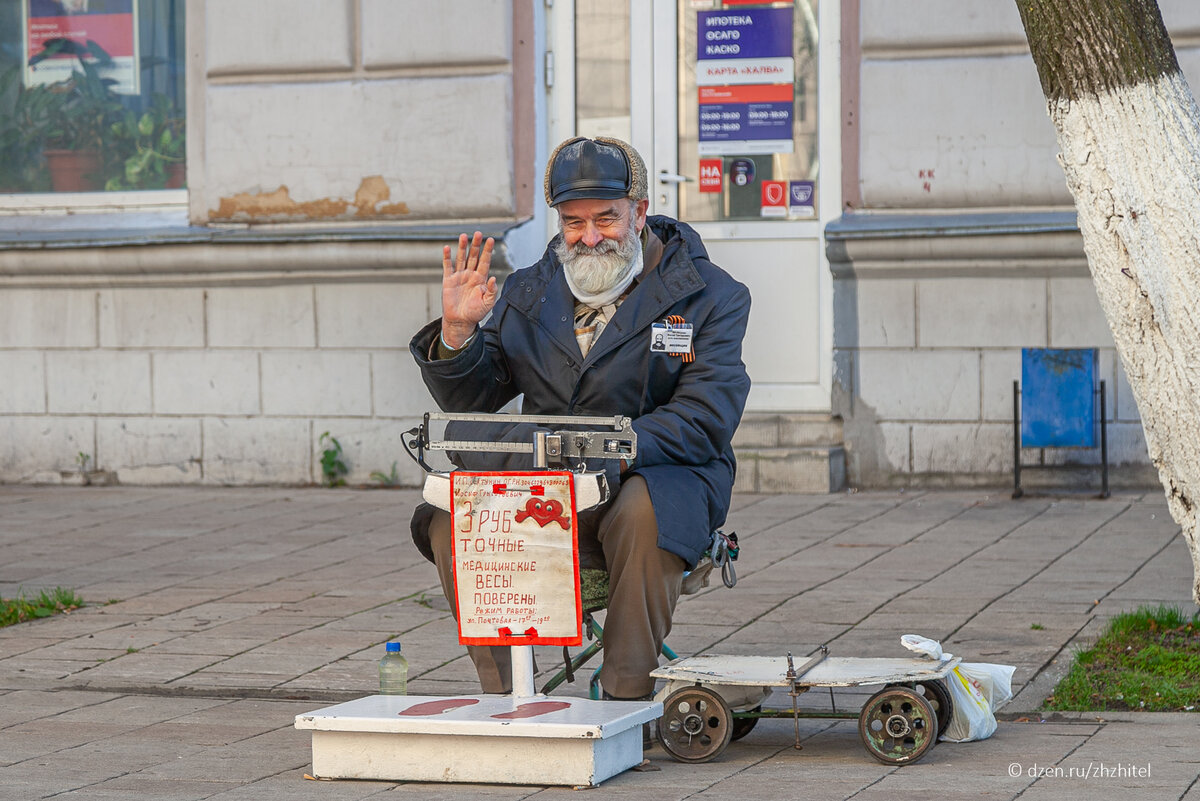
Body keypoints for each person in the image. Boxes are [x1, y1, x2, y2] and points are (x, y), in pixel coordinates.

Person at [409, 136, 751, 702]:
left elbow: (706, 417)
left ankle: (625, 696)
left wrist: (602, 448)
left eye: (605, 219)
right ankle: (502, 697)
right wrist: (458, 333)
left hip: (656, 480)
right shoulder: (526, 291)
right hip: (550, 490)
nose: (589, 237)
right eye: (573, 222)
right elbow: (474, 396)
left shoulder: (711, 296)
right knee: (452, 512)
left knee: (645, 507)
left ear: (639, 212)